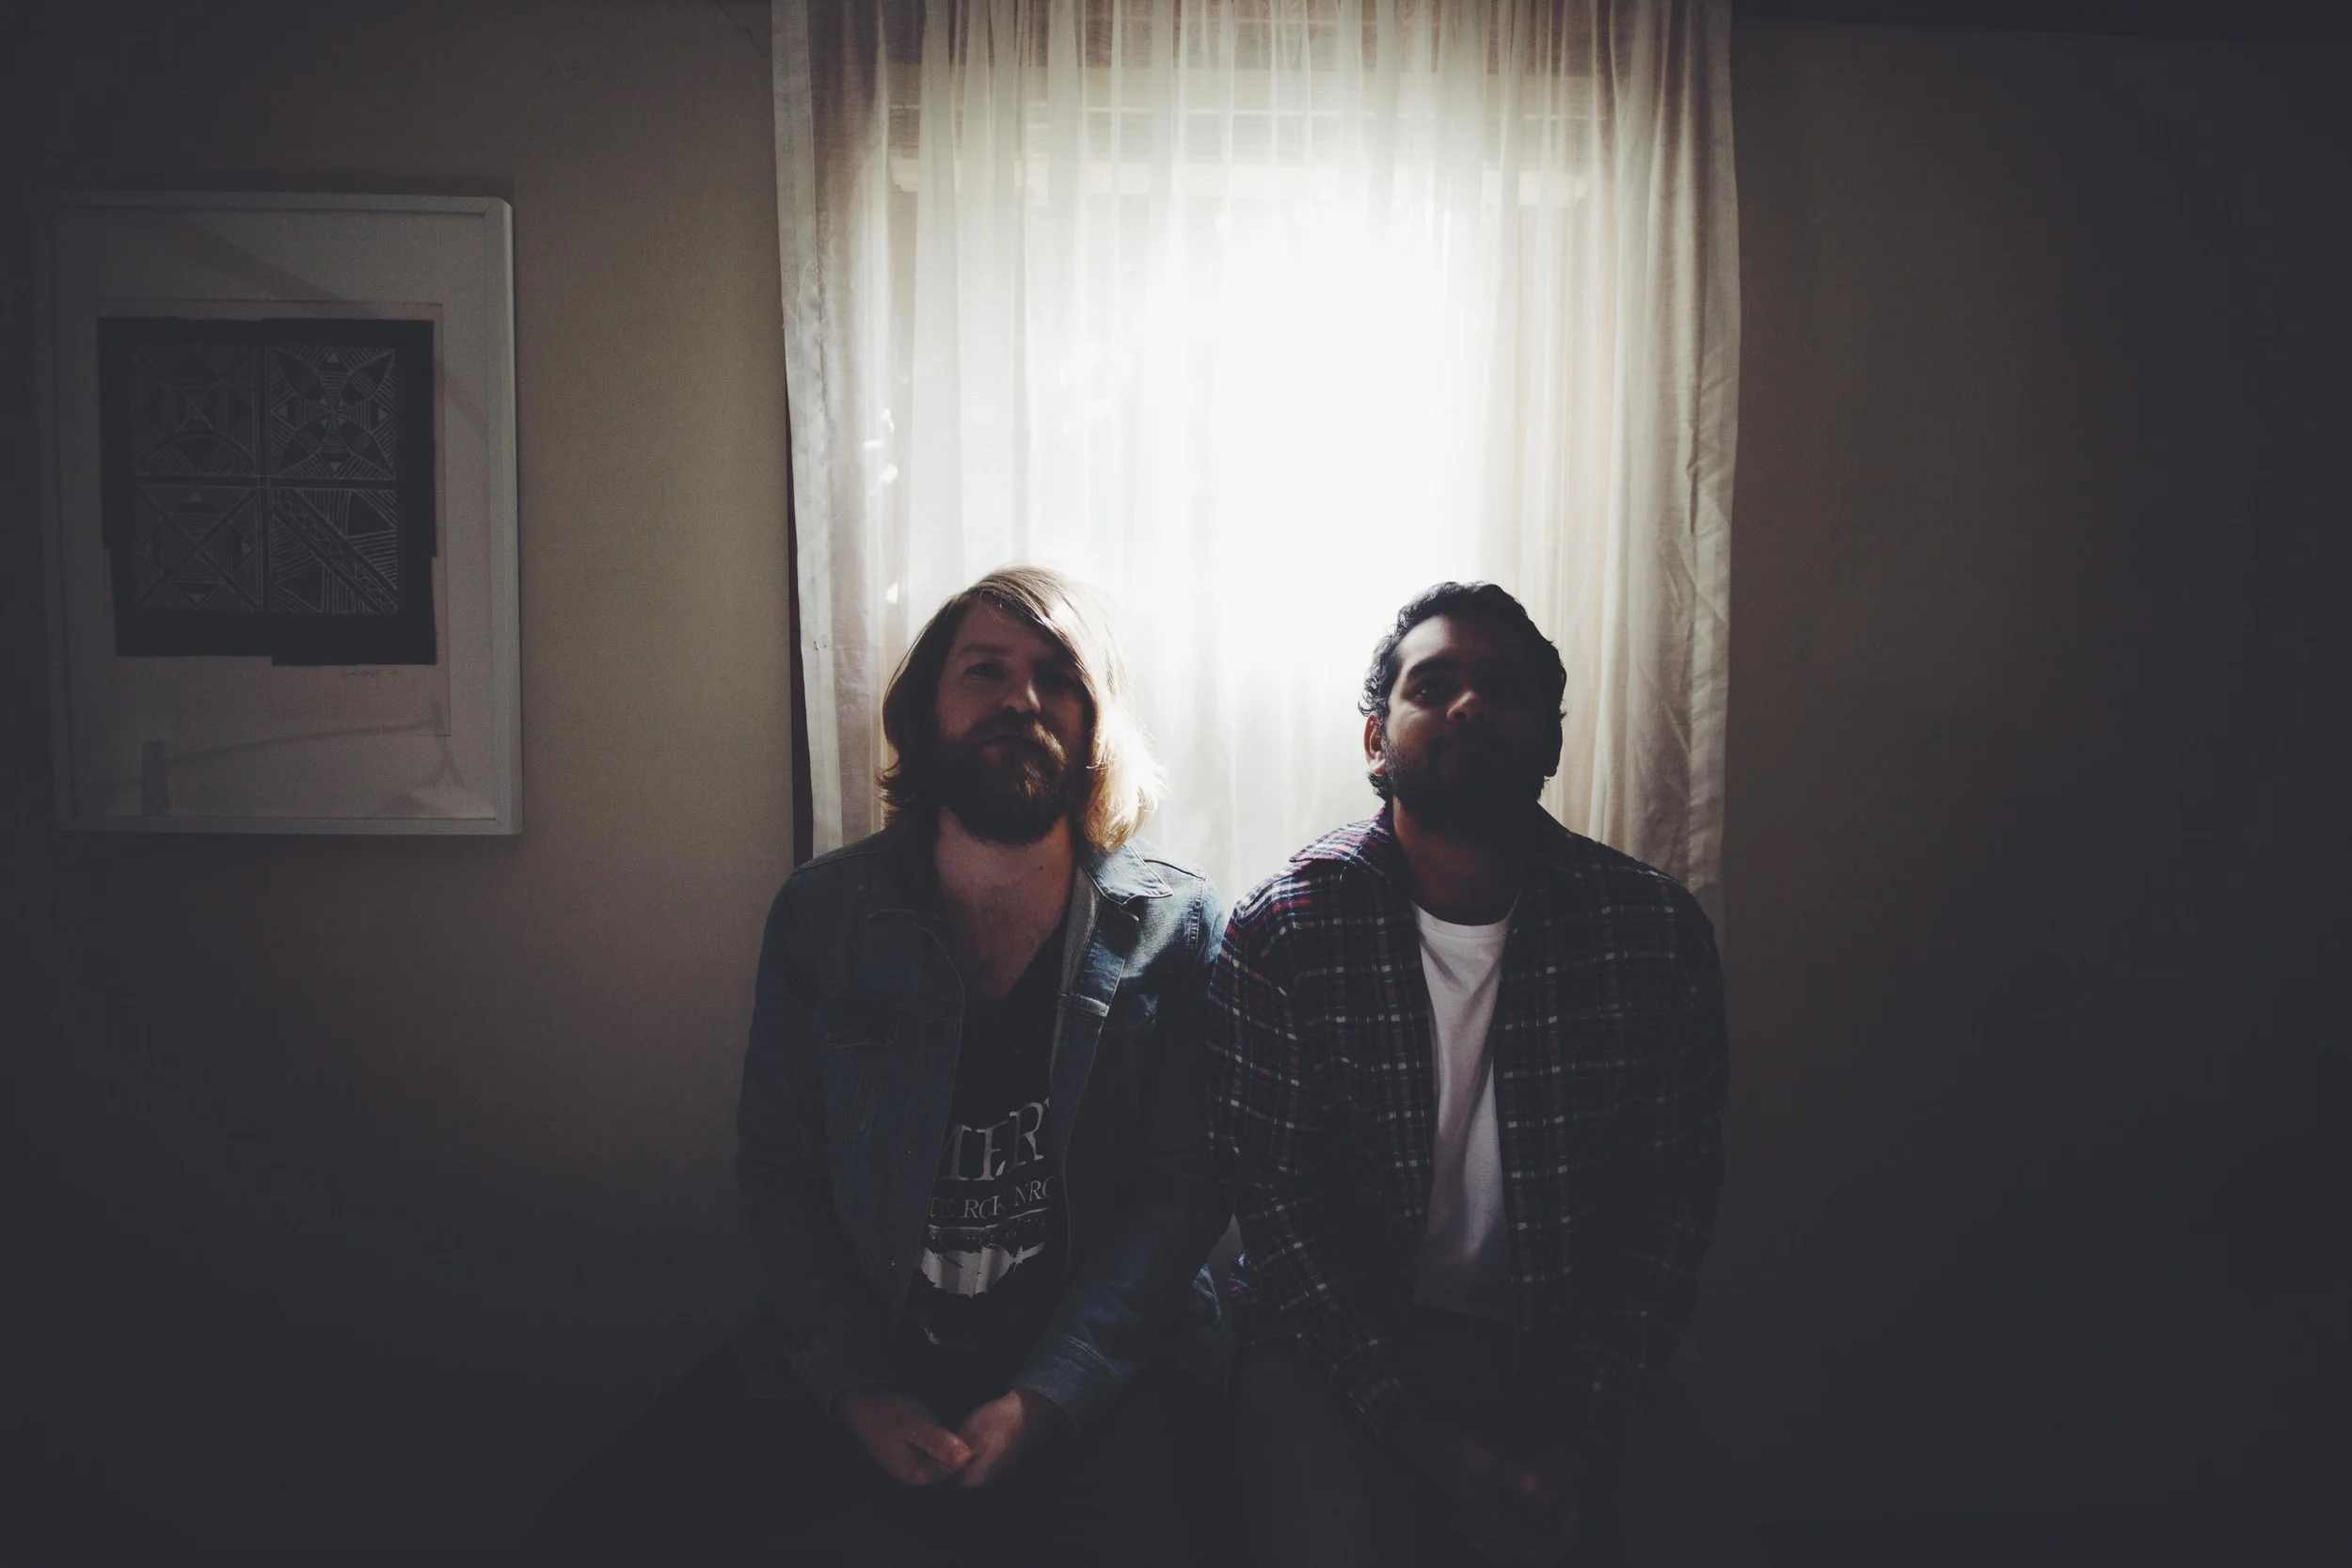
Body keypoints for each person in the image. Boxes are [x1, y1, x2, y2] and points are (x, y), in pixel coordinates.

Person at [536, 567, 1228, 1566]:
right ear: (927, 710)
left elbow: (1183, 1191)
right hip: (862, 1349)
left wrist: (1047, 1399)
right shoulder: (824, 915)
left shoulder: (1177, 924)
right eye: (984, 670)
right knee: (583, 1531)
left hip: (1098, 1374)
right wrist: (860, 1389)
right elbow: (781, 1170)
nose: (1021, 697)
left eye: (1057, 676)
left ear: (1094, 724)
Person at [1204, 582, 1756, 1568]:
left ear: (1550, 741)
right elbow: (1280, 1209)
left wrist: (1579, 1438)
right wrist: (1424, 1438)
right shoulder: (1286, 929)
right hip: (1332, 1347)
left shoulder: (1651, 933)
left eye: (1504, 688)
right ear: (1375, 740)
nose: (1469, 704)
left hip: (1566, 1347)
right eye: (1433, 685)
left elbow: (1668, 1203)